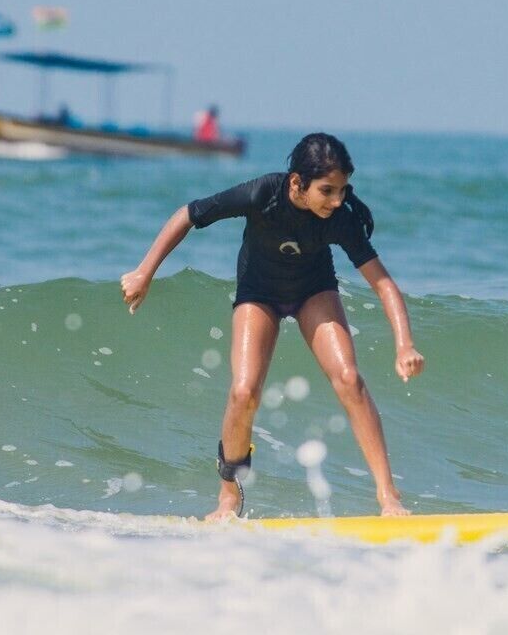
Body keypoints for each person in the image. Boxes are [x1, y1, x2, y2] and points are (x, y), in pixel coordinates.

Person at [121, 133, 425, 520]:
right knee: (244, 391)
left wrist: (405, 345)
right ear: (297, 183)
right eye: (327, 190)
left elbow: (383, 283)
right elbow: (188, 214)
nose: (337, 201)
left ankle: (388, 497)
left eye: (343, 190)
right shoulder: (261, 194)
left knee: (349, 378)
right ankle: (228, 497)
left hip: (314, 291)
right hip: (258, 292)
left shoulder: (339, 219)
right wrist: (144, 272)